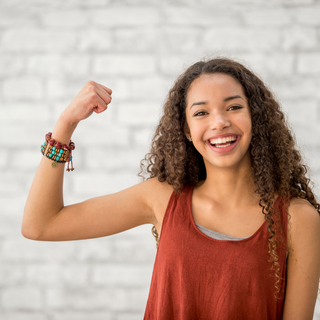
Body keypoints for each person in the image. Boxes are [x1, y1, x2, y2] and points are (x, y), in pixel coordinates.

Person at [23, 58, 320, 319]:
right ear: (187, 131)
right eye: (201, 113)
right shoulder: (162, 198)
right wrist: (66, 124)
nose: (219, 122)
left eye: (234, 107)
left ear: (257, 118)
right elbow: (41, 225)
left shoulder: (298, 219)